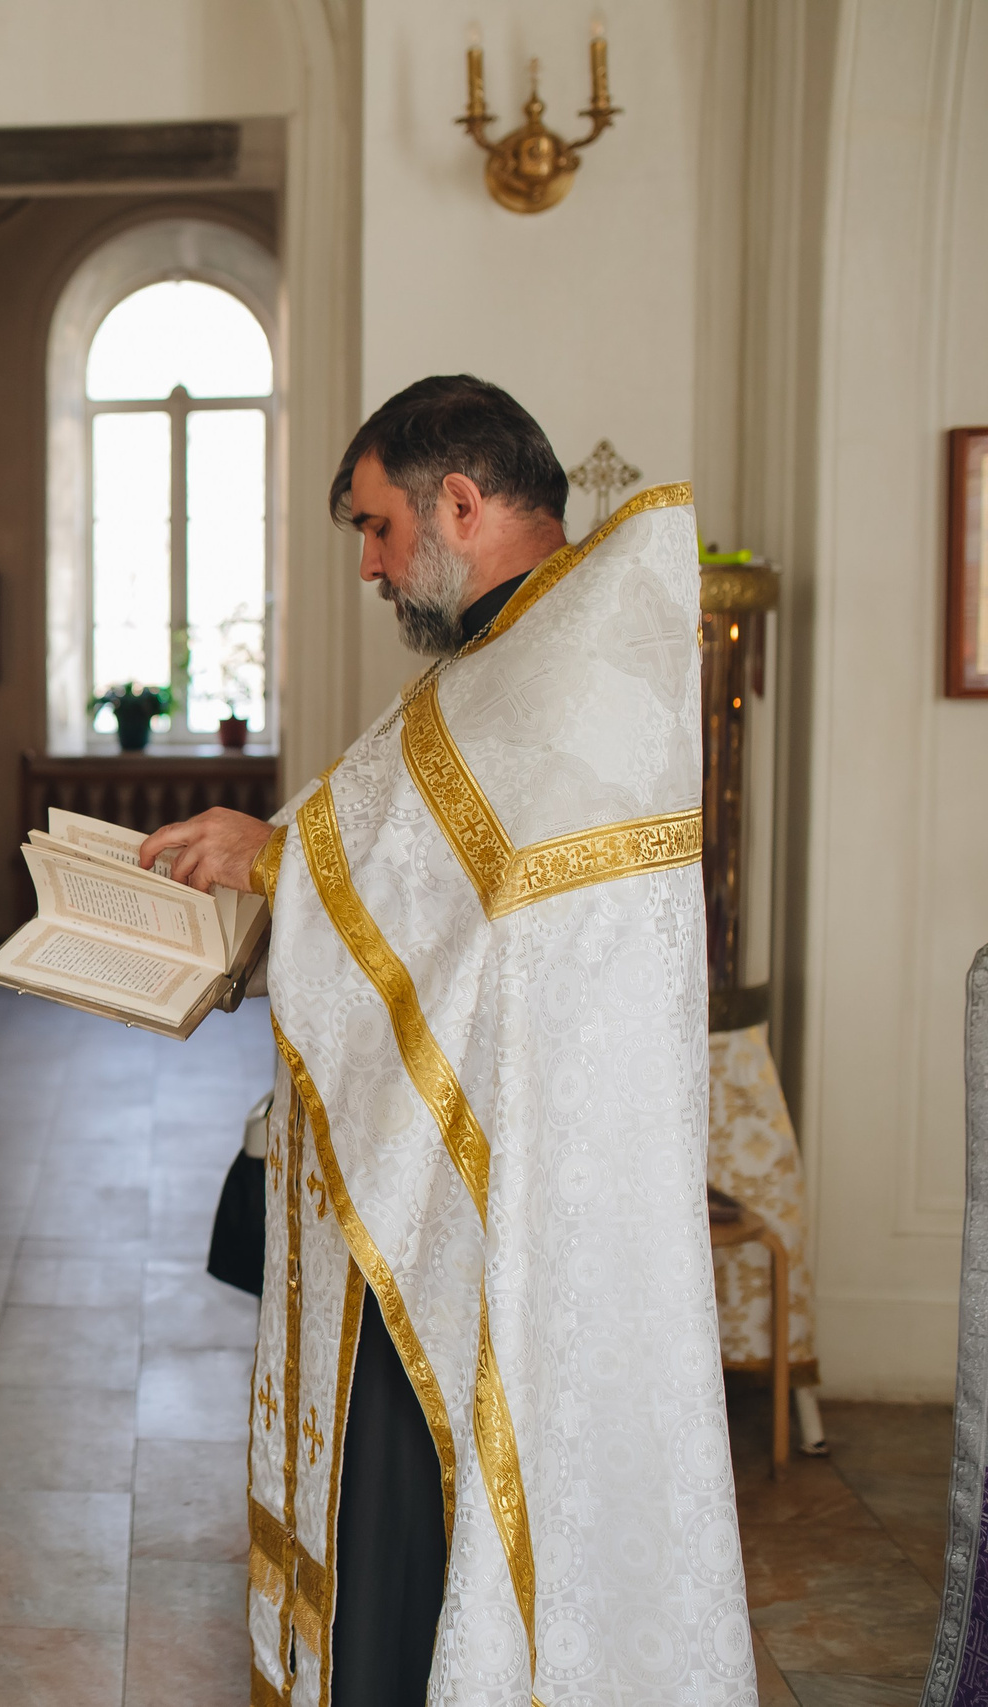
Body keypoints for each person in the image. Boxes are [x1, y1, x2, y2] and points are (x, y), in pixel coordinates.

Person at [140, 376, 750, 1705]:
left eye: (374, 528)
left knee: (458, 1482)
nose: (367, 564)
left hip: (502, 1199)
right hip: (428, 1171)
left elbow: (436, 888)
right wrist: (261, 894)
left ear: (458, 501)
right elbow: (426, 887)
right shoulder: (508, 658)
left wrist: (274, 851)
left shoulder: (565, 664)